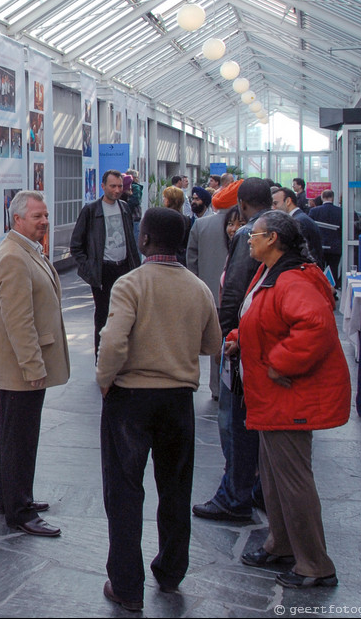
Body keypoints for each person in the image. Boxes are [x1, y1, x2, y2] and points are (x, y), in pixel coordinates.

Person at [97, 208, 222, 611]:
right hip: (178, 401)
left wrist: (105, 379)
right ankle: (170, 572)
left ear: (145, 240)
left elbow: (114, 341)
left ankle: (126, 585)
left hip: (131, 398)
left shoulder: (130, 284)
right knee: (176, 489)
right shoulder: (198, 287)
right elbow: (212, 344)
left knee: (125, 491)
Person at [232, 210, 350, 589]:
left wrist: (278, 363)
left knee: (293, 481)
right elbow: (266, 319)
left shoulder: (291, 279)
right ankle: (281, 543)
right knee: (273, 476)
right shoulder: (274, 272)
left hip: (288, 397)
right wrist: (241, 338)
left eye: (256, 233)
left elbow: (315, 326)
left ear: (274, 241)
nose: (249, 237)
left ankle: (315, 564)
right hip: (275, 399)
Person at [0, 191, 69, 537]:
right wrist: (33, 367)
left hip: (21, 366)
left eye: (45, 215)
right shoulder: (13, 257)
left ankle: (9, 499)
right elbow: (19, 322)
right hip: (22, 368)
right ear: (17, 219)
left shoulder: (25, 251)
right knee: (19, 438)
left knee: (13, 435)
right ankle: (19, 510)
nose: (44, 221)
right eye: (37, 216)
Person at [193, 178, 273, 523]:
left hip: (245, 340)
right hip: (269, 338)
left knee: (235, 422)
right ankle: (258, 488)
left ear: (241, 204)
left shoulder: (249, 235)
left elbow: (235, 290)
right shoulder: (284, 226)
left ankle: (234, 495)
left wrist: (225, 338)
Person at [69, 170, 141, 359]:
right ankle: (101, 358)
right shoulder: (91, 210)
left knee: (126, 313)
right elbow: (76, 245)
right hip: (103, 271)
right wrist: (89, 268)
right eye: (113, 186)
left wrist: (135, 268)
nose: (117, 190)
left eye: (120, 186)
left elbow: (131, 241)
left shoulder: (125, 208)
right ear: (103, 186)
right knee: (103, 315)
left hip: (124, 268)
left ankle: (123, 357)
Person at [186, 201, 229, 399]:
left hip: (210, 292)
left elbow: (191, 260)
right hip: (239, 295)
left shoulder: (202, 224)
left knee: (215, 341)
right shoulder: (254, 227)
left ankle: (217, 387)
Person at [272, 187, 324, 267]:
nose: (273, 208)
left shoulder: (297, 222)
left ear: (288, 201)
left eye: (275, 203)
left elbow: (303, 253)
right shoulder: (301, 218)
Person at [309, 190, 343, 284]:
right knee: (333, 269)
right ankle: (333, 291)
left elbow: (310, 228)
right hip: (335, 246)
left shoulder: (314, 211)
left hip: (320, 245)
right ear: (333, 198)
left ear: (322, 197)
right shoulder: (340, 212)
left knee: (319, 269)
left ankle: (320, 290)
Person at [162, 186, 191, 266]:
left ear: (168, 200)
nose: (163, 199)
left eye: (164, 197)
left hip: (165, 258)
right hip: (181, 258)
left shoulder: (163, 217)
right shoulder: (186, 219)